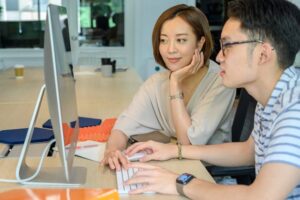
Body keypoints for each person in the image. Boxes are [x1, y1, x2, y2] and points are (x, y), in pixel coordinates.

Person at [124, 0, 300, 199]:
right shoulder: (272, 98)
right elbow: (248, 151)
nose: (219, 57)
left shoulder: (294, 110)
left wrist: (179, 182)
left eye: (228, 46)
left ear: (263, 54)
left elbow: (259, 197)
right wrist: (174, 150)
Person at [101, 4, 236, 170]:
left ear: (200, 43)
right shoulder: (156, 82)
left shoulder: (220, 81)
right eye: (164, 40)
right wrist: (113, 151)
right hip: (174, 164)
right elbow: (122, 127)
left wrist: (174, 84)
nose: (170, 50)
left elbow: (187, 142)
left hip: (208, 173)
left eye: (181, 40)